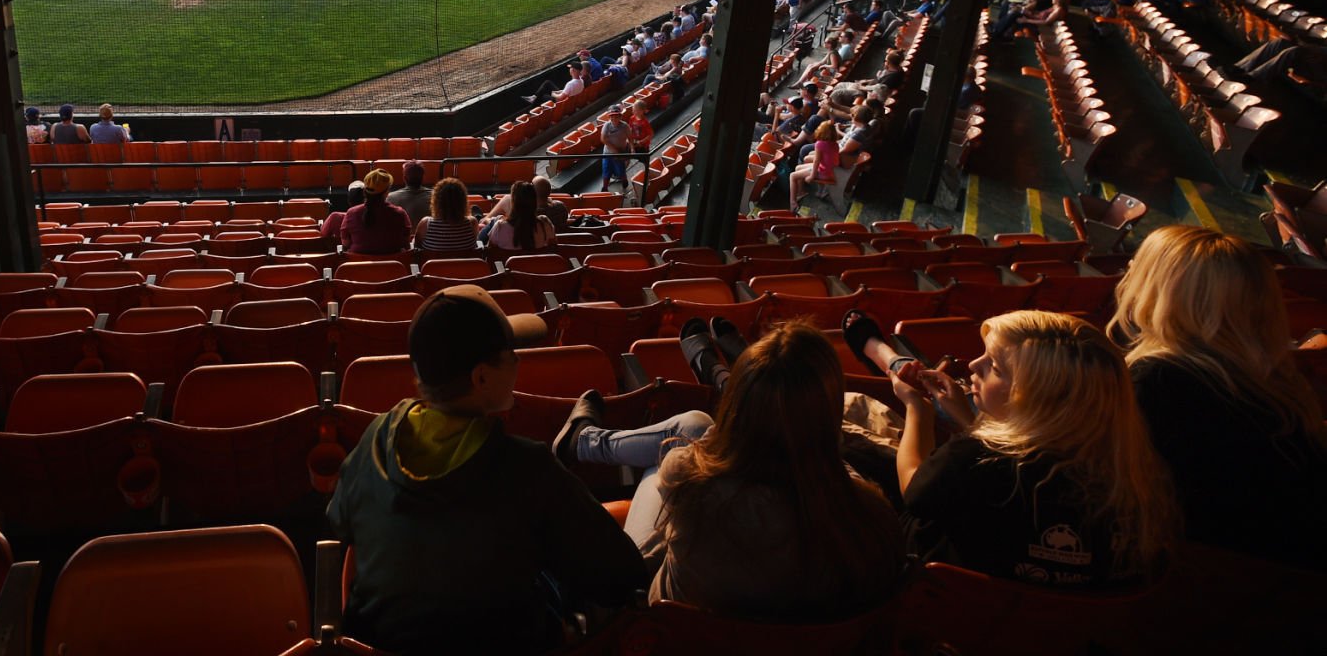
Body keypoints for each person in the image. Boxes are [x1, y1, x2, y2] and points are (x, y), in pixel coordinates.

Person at [327, 285, 645, 655]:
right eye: (511, 354)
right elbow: (621, 576)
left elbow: (339, 523)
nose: (519, 361)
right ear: (480, 378)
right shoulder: (528, 468)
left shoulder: (375, 438)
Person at [554, 322, 903, 619]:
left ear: (737, 405)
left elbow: (714, 448)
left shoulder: (688, 478)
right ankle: (585, 440)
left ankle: (584, 442)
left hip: (669, 626)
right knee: (693, 424)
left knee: (682, 437)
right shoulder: (871, 513)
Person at [893, 310, 1179, 586]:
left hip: (964, 612)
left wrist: (918, 409)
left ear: (1033, 399)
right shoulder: (1135, 472)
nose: (972, 365)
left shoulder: (971, 459)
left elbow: (914, 488)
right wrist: (967, 419)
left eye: (994, 367)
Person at [1108, 225, 1327, 569]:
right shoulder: (1277, 384)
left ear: (1166, 294)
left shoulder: (1157, 381)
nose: (1130, 273)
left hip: (1216, 585)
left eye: (1139, 267)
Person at [342, 169, 412, 254]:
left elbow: (345, 243)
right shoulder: (400, 214)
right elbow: (406, 243)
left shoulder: (351, 213)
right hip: (392, 266)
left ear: (365, 191)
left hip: (358, 266)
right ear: (386, 192)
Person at [414, 178, 481, 255]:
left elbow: (417, 248)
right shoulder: (472, 222)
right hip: (464, 267)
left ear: (436, 201)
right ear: (463, 201)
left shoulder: (425, 224)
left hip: (435, 267)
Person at [485, 180, 556, 251]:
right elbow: (554, 248)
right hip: (537, 262)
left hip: (506, 262)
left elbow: (490, 254)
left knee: (492, 222)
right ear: (534, 202)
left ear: (513, 202)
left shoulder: (500, 227)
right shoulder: (545, 224)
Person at [789, 121, 840, 212]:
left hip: (822, 172)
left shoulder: (820, 144)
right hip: (831, 171)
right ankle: (804, 192)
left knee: (792, 175)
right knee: (797, 168)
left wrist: (812, 176)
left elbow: (816, 161)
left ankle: (792, 202)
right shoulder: (835, 144)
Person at [599, 107, 632, 192]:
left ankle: (624, 180)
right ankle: (605, 187)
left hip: (620, 152)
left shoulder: (625, 126)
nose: (614, 118)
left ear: (620, 116)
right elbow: (603, 139)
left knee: (620, 169)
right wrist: (614, 149)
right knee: (606, 169)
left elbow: (630, 137)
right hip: (608, 153)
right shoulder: (606, 125)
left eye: (616, 116)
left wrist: (632, 148)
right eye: (612, 116)